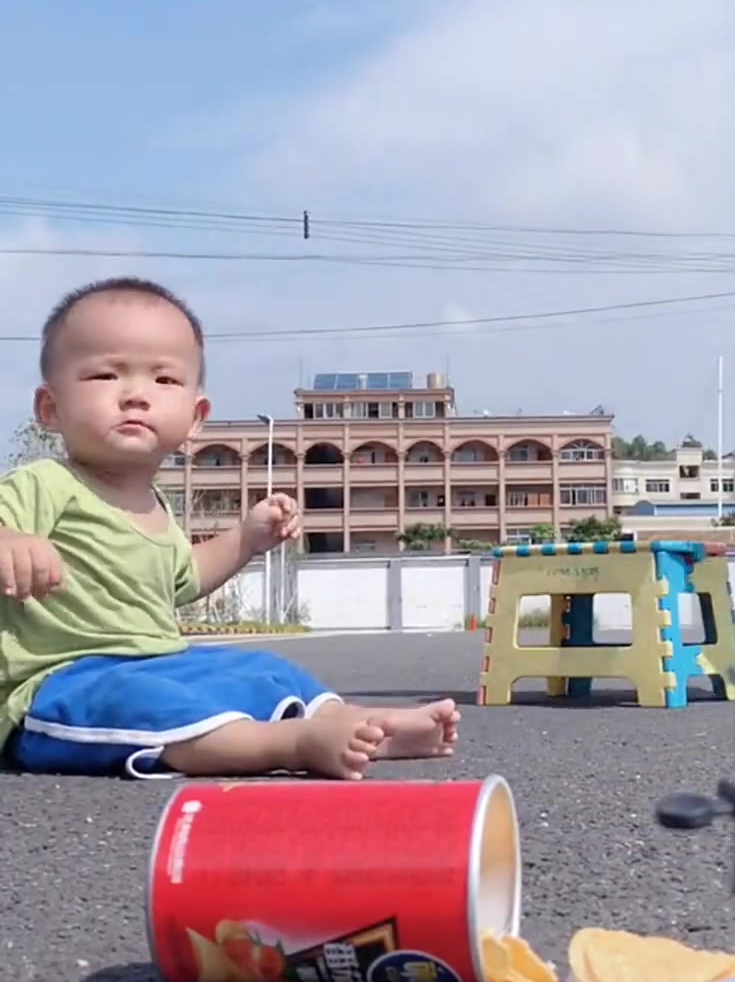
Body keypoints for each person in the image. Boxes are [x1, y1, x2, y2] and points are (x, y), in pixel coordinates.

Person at [0, 277, 459, 777]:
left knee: (257, 670)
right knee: (147, 704)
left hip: (160, 659)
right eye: (106, 375)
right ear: (50, 408)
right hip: (59, 683)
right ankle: (294, 744)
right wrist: (11, 541)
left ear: (196, 417)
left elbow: (187, 577)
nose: (135, 395)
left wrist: (245, 539)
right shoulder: (44, 483)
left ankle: (361, 724)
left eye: (164, 380)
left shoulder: (157, 506)